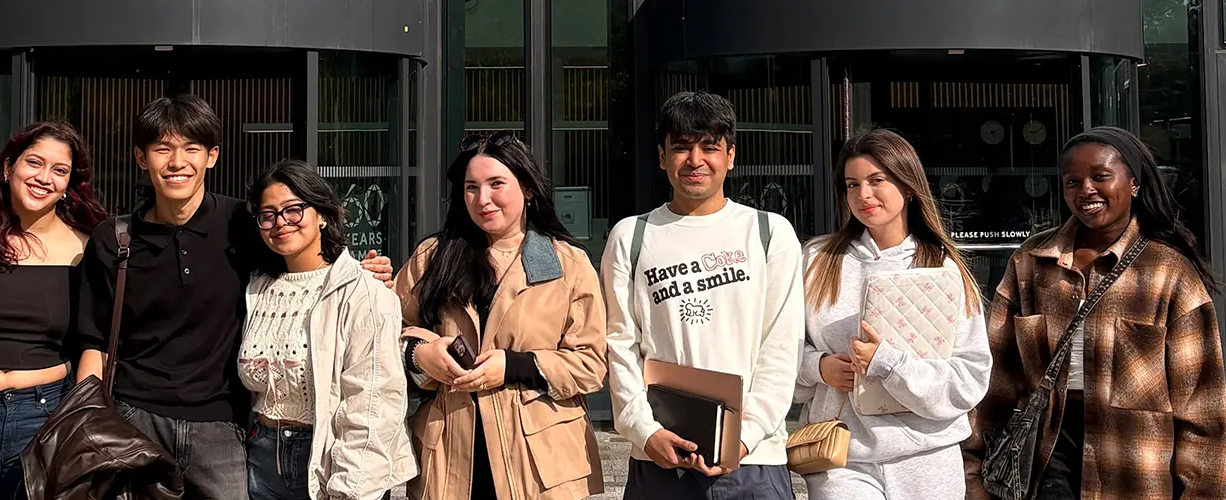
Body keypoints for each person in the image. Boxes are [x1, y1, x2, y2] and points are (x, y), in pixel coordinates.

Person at [72, 93, 394, 498]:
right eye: (162, 149)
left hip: (222, 426)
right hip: (136, 419)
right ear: (141, 158)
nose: (177, 162)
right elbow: (94, 343)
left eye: (191, 148)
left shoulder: (244, 224)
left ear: (212, 156)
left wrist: (357, 273)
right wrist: (90, 421)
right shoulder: (113, 239)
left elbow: (301, 265)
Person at [962, 126, 1226, 499]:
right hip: (1045, 454)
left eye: (1100, 176)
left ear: (1134, 184)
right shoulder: (1031, 263)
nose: (1085, 189)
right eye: (1072, 181)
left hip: (1135, 462)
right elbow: (997, 377)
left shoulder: (1169, 273)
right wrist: (972, 469)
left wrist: (1202, 489)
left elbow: (1202, 405)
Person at [602, 91, 803, 499]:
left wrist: (742, 438)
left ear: (730, 156)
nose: (695, 160)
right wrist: (645, 431)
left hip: (752, 463)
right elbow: (619, 344)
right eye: (681, 148)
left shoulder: (769, 233)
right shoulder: (632, 236)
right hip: (659, 460)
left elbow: (782, 349)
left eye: (709, 147)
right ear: (662, 156)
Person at [396, 132, 607, 500]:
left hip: (540, 464)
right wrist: (420, 355)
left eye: (496, 184)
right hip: (448, 457)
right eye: (471, 188)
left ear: (526, 188)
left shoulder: (566, 264)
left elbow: (590, 365)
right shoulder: (433, 258)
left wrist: (512, 366)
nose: (483, 199)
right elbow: (387, 332)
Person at [793, 129, 990, 499]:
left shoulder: (944, 268)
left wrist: (888, 362)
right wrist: (818, 368)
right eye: (852, 184)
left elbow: (971, 376)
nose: (863, 195)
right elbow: (779, 350)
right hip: (841, 456)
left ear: (909, 185)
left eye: (877, 180)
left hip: (928, 456)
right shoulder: (817, 261)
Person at [0, 121, 108, 499]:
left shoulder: (86, 248)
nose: (44, 177)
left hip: (46, 418)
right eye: (34, 163)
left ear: (68, 186)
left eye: (60, 171)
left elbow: (94, 342)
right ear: (9, 168)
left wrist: (81, 418)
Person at [240, 160, 416, 500]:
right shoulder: (256, 289)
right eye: (268, 214)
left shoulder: (361, 292)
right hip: (261, 455)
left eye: (293, 210)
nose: (281, 223)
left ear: (322, 214)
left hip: (326, 457)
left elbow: (373, 404)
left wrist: (352, 488)